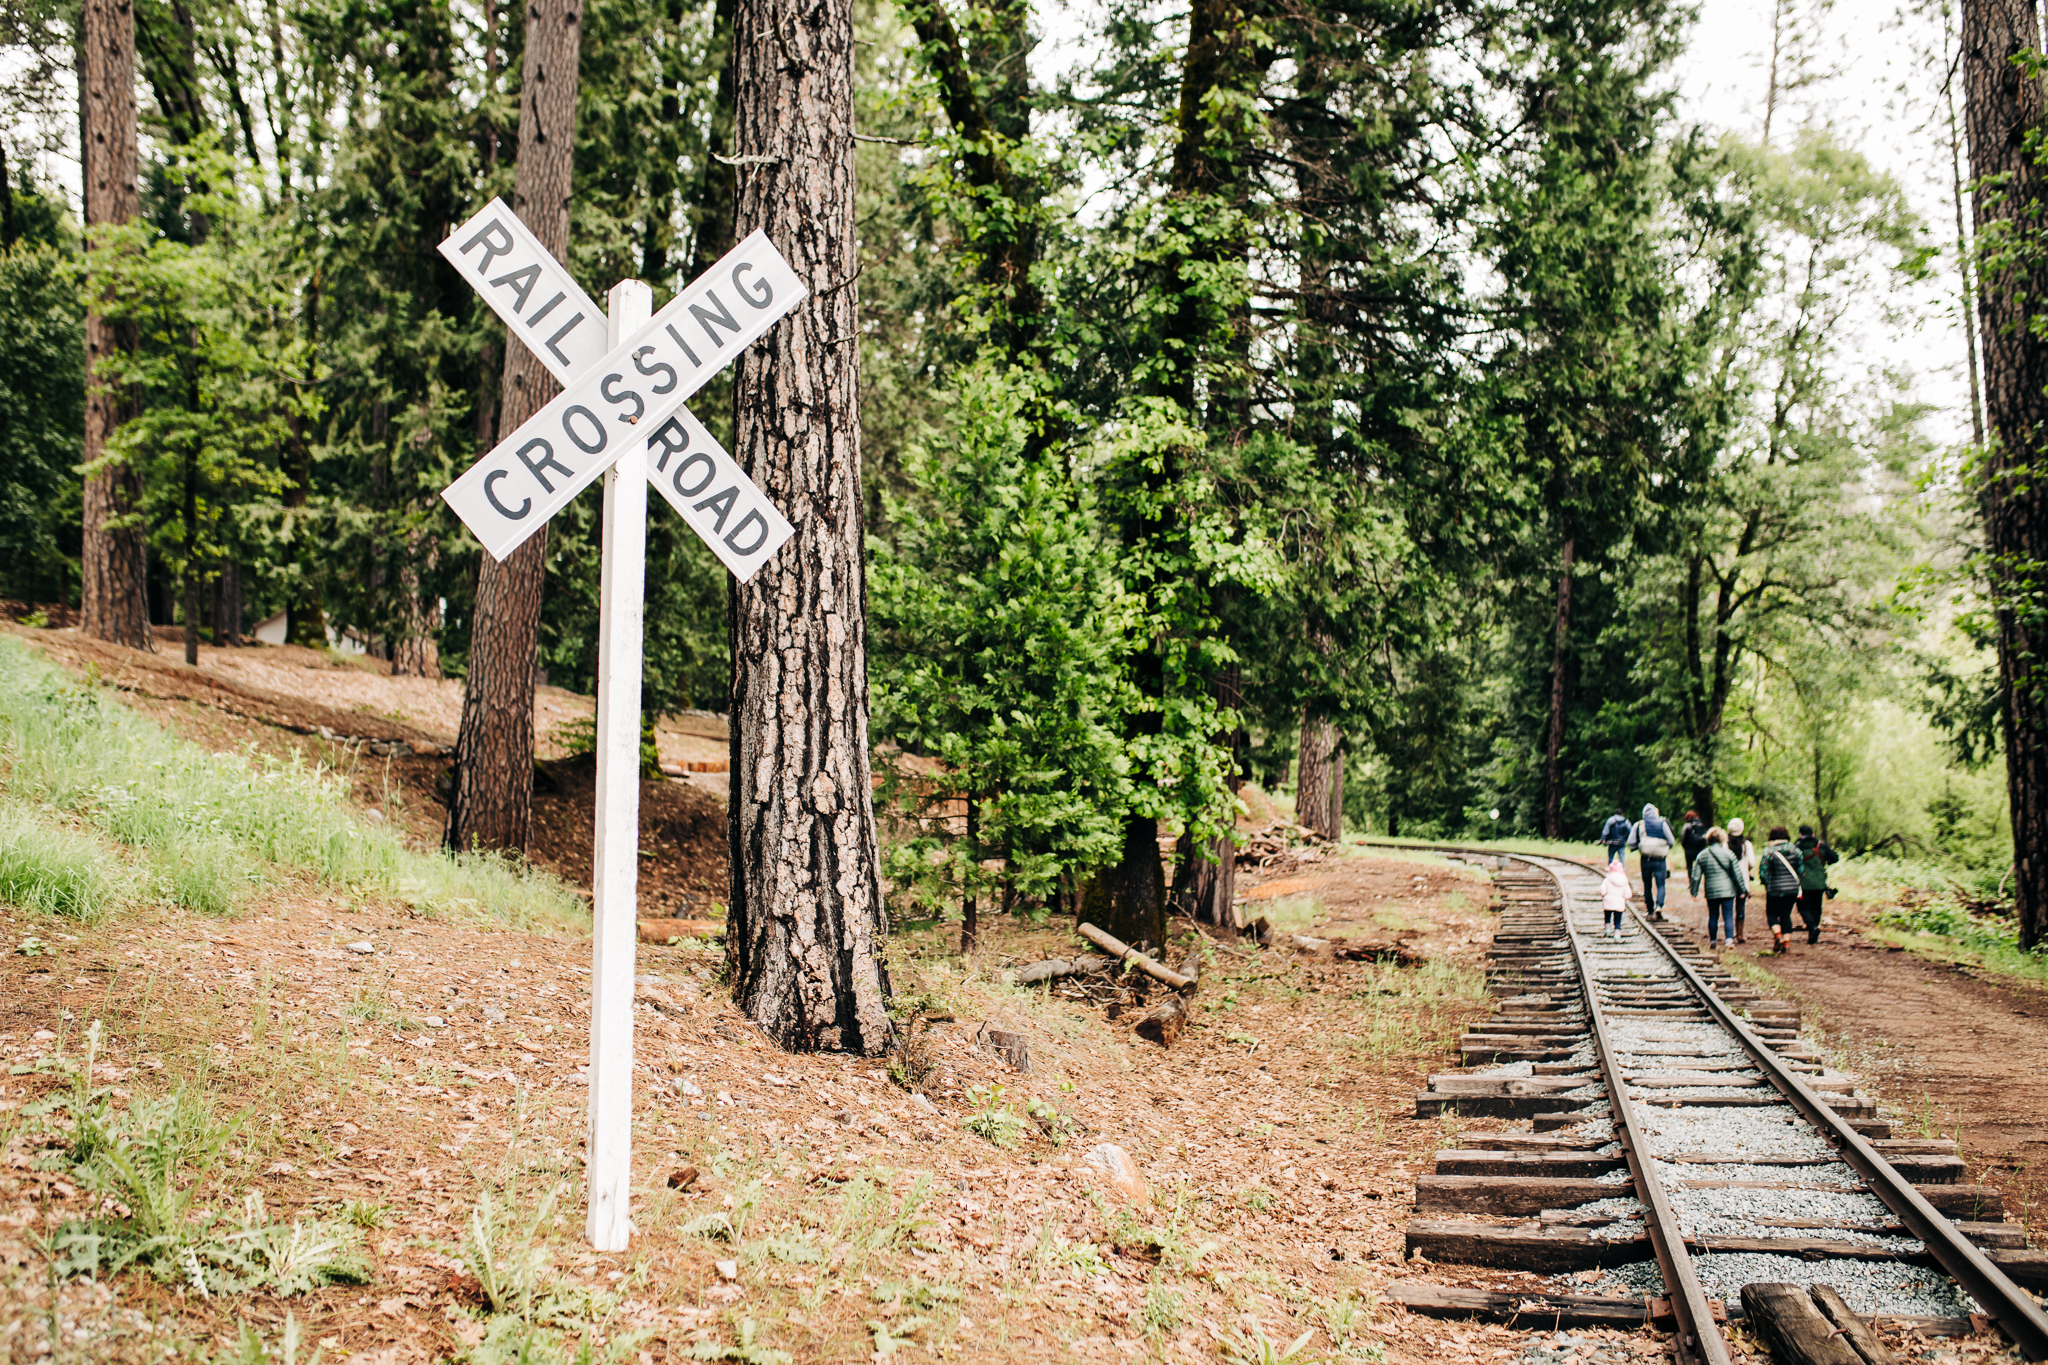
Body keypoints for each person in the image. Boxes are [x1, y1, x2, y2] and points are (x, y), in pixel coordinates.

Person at [1688, 826, 1748, 949]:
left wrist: (1694, 892)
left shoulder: (1702, 855)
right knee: (1728, 916)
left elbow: (1696, 876)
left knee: (1713, 916)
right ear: (1722, 839)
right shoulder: (1729, 854)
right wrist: (1742, 889)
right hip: (1728, 891)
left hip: (1711, 891)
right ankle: (1729, 941)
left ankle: (1713, 941)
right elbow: (1737, 874)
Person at [1759, 825, 1804, 954]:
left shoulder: (1769, 851)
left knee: (1772, 914)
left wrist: (1766, 884)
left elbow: (1763, 872)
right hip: (1792, 889)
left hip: (1774, 889)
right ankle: (1787, 944)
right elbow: (1801, 871)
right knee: (1785, 915)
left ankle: (1778, 937)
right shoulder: (1796, 850)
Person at [1794, 824, 1840, 945]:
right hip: (1819, 883)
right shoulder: (1821, 846)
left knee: (1803, 907)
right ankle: (1814, 929)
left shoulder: (1796, 846)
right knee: (1816, 908)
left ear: (1800, 834)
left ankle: (1811, 927)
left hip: (1802, 884)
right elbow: (1835, 858)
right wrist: (1825, 860)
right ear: (1813, 834)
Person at [1629, 804, 1677, 919]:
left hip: (1646, 859)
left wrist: (1639, 846)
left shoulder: (1639, 824)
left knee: (1647, 884)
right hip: (1660, 860)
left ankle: (1650, 910)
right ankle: (1659, 906)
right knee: (1661, 884)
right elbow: (1671, 841)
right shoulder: (1662, 823)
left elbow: (1631, 842)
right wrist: (1664, 847)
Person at [1726, 817, 1757, 944]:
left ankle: (1729, 934)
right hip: (1742, 880)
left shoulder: (1724, 843)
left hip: (1727, 881)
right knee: (1740, 907)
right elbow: (1752, 862)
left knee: (1727, 908)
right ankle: (1740, 934)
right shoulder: (1746, 845)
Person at [1679, 810, 1709, 898]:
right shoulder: (1701, 825)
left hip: (1689, 850)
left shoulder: (1687, 826)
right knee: (1700, 867)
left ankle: (1691, 884)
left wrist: (1685, 847)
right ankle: (1698, 883)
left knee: (1690, 867)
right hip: (1700, 850)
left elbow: (1683, 838)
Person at [1601, 856, 1632, 938]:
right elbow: (1628, 894)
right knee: (1618, 919)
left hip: (1608, 902)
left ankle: (1607, 929)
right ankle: (1617, 933)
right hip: (1619, 903)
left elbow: (1602, 891)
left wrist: (1605, 894)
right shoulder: (1624, 880)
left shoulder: (1607, 879)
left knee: (1607, 916)